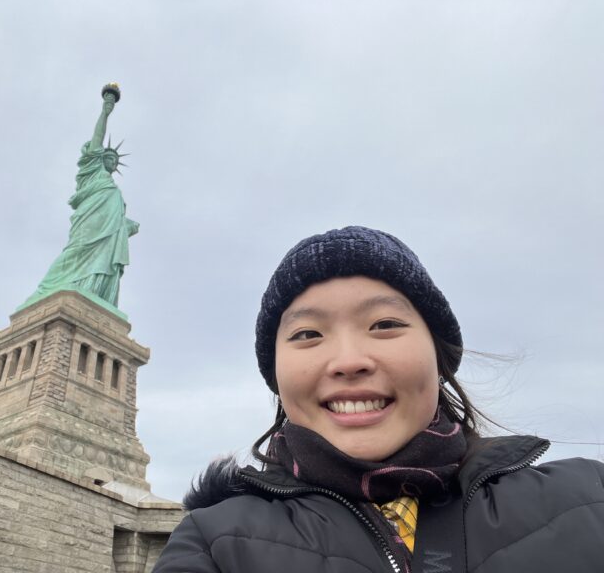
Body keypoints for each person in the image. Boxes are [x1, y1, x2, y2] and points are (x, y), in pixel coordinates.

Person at [153, 226, 604, 573]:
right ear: (277, 377)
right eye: (308, 334)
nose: (348, 361)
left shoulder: (588, 499)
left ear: (440, 357)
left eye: (385, 324)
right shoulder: (214, 545)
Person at [21, 85, 139, 310]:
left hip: (108, 233)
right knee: (74, 252)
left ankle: (93, 295)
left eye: (115, 159)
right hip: (88, 225)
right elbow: (98, 137)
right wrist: (106, 110)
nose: (113, 160)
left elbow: (115, 217)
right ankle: (48, 289)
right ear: (99, 158)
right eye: (109, 156)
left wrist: (126, 226)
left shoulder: (113, 189)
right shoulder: (92, 172)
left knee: (105, 263)